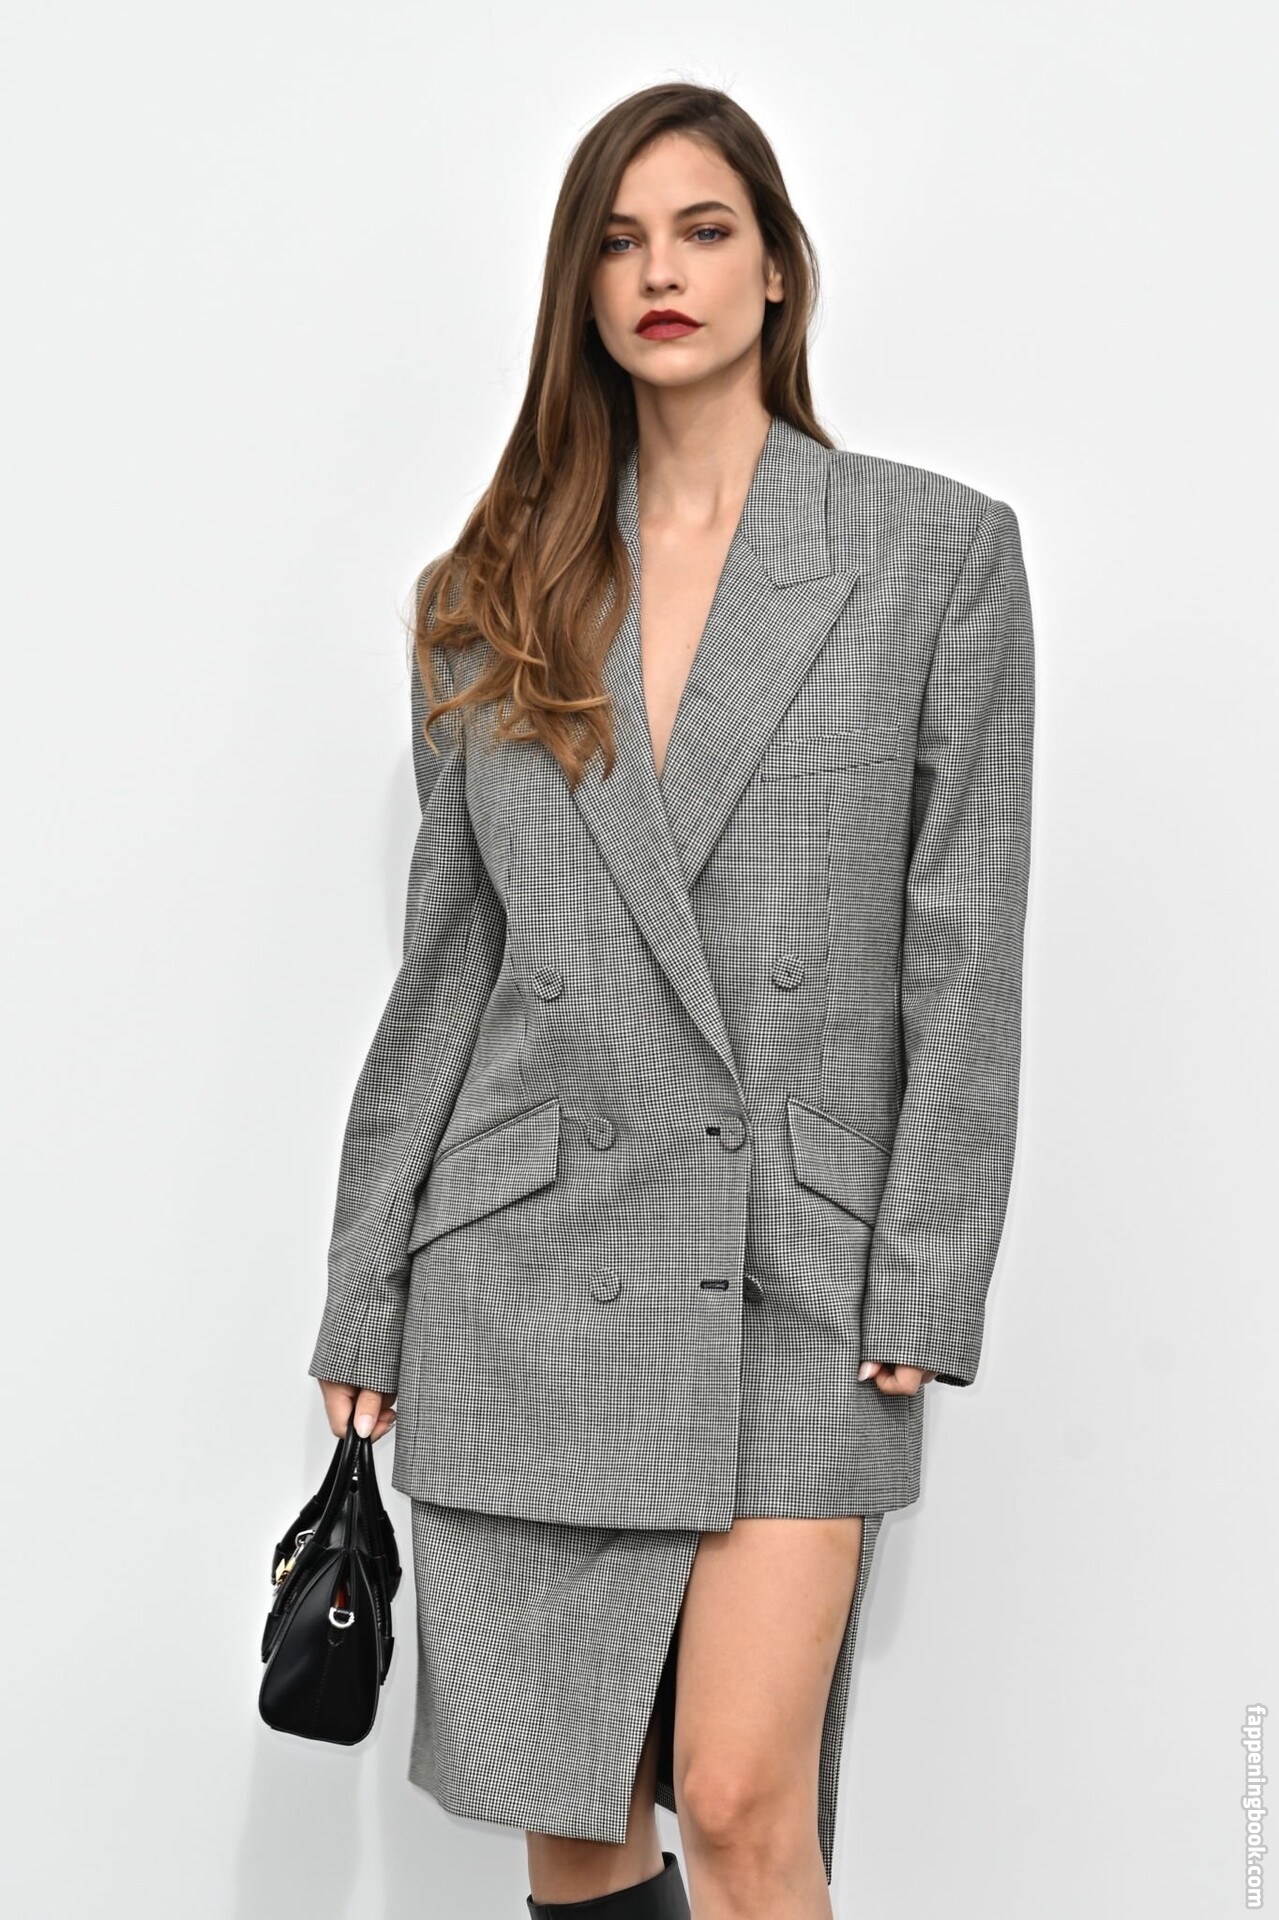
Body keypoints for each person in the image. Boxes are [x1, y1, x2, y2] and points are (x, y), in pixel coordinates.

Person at [308, 80, 1035, 1920]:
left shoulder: (931, 555)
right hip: (530, 1277)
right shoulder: (490, 593)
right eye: (621, 241)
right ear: (581, 287)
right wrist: (363, 1283)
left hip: (797, 1273)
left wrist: (930, 1263)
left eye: (706, 230)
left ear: (779, 269)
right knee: (578, 1823)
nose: (663, 272)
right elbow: (448, 966)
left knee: (736, 1797)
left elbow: (965, 940)